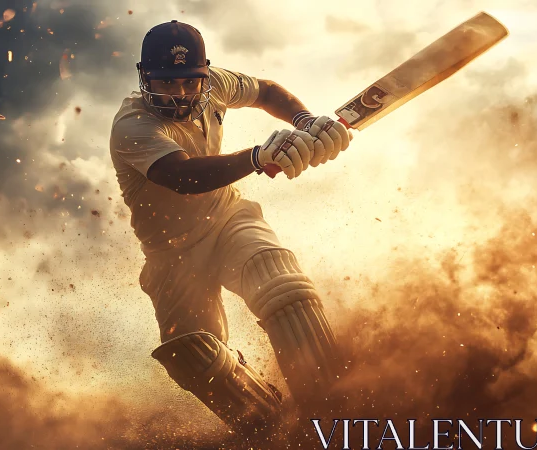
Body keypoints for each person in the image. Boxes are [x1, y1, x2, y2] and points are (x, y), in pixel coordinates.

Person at [108, 20, 353, 443]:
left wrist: (305, 121)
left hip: (226, 219)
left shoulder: (216, 84)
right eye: (167, 83)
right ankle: (273, 429)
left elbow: (268, 92)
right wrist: (258, 156)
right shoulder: (132, 126)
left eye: (191, 82)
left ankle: (343, 418)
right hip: (170, 254)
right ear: (143, 76)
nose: (182, 93)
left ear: (206, 72)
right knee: (195, 357)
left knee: (282, 287)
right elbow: (182, 176)